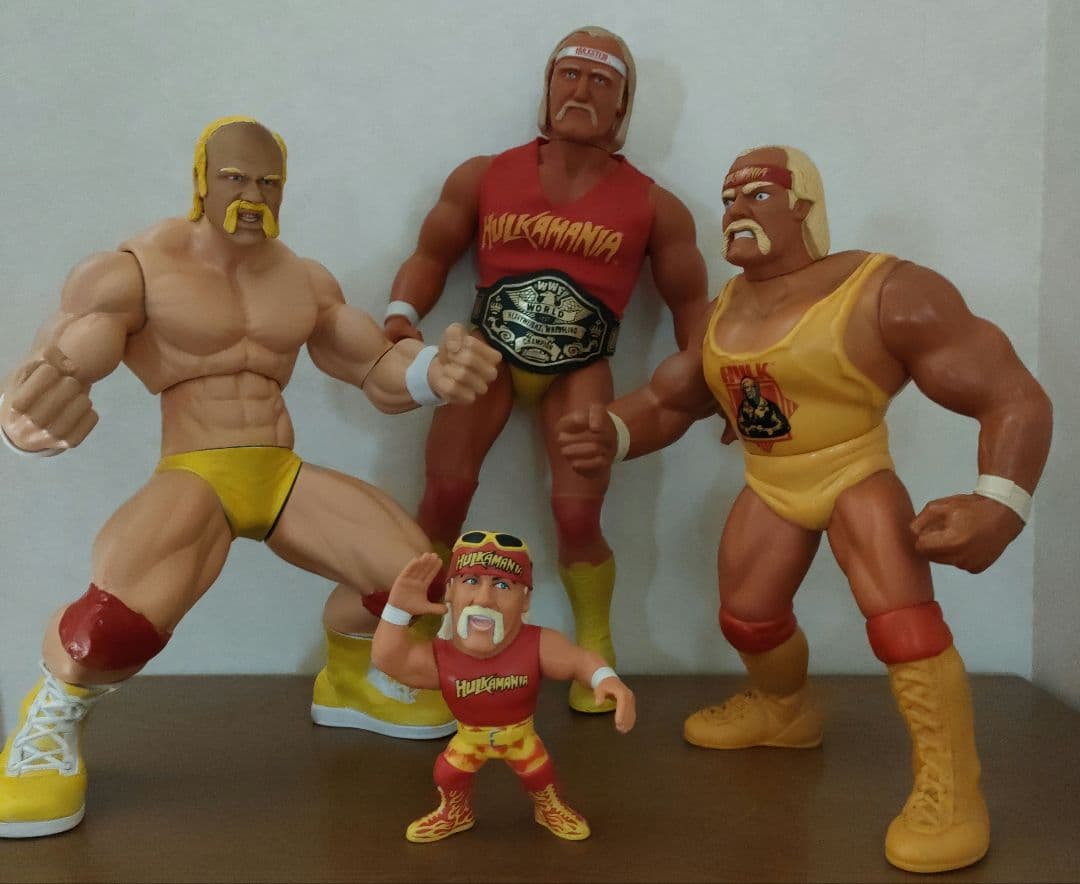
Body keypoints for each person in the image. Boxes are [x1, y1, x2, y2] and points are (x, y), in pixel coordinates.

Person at [0, 116, 501, 838]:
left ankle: (354, 675)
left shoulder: (301, 279)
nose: (252, 195)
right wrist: (24, 417)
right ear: (202, 181)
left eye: (268, 182)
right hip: (197, 472)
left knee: (419, 578)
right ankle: (49, 720)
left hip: (279, 471)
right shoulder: (137, 269)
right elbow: (62, 361)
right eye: (235, 178)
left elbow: (372, 366)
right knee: (111, 629)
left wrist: (433, 372)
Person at [556, 145, 1052, 873]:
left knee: (904, 623)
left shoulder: (885, 291)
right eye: (729, 197)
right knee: (746, 616)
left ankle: (952, 788)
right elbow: (670, 401)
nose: (736, 209)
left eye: (757, 193)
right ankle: (783, 709)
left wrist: (1000, 503)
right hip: (770, 480)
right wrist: (613, 431)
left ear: (803, 208)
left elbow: (1011, 395)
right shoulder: (726, 310)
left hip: (854, 470)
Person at [379, 26, 708, 714]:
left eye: (600, 80)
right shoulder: (484, 175)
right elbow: (432, 252)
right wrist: (401, 317)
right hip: (486, 358)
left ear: (622, 104)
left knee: (577, 514)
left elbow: (692, 308)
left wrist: (716, 387)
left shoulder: (655, 205)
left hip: (581, 366)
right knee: (442, 498)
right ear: (549, 86)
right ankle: (421, 646)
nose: (580, 90)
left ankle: (596, 647)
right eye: (569, 75)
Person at [372, 531, 635, 842]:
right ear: (450, 591)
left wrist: (607, 680)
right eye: (471, 581)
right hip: (469, 738)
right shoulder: (441, 656)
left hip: (519, 736)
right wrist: (397, 610)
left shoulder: (537, 645)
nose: (484, 599)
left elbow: (580, 660)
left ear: (525, 599)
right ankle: (456, 812)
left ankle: (548, 808)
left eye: (502, 585)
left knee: (539, 773)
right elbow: (390, 659)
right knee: (448, 773)